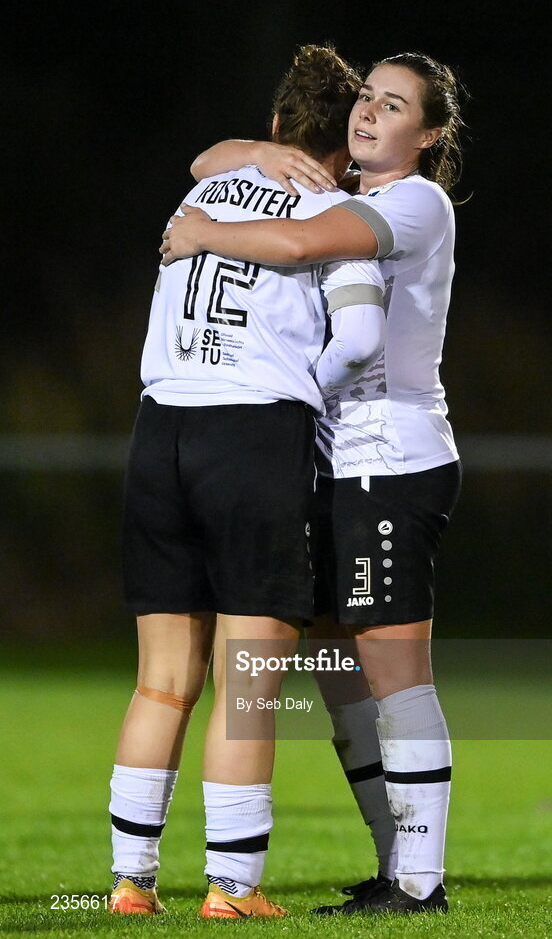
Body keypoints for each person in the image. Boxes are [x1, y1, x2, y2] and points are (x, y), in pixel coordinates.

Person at [160, 50, 465, 915]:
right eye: (366, 96)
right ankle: (391, 863)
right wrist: (258, 155)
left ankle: (418, 881)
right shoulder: (352, 192)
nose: (370, 111)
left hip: (390, 462)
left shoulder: (415, 201)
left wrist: (203, 234)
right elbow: (204, 161)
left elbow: (297, 244)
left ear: (429, 133)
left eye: (394, 104)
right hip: (338, 467)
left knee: (393, 668)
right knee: (336, 668)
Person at [108, 44, 386, 920]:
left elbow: (210, 159)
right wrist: (314, 386)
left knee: (162, 679)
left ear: (273, 125)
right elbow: (362, 337)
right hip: (252, 433)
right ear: (344, 139)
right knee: (249, 681)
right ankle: (232, 889)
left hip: (159, 432)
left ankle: (128, 884)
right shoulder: (334, 206)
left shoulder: (203, 191)